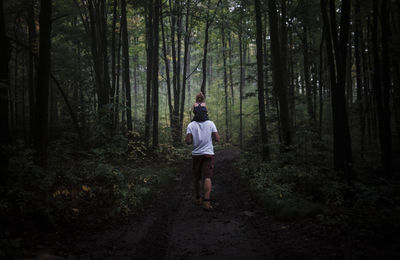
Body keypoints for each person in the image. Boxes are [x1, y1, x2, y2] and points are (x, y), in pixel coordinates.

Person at [185, 99, 220, 210]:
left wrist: (194, 139)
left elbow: (188, 141)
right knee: (207, 177)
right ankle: (206, 202)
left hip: (196, 154)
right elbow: (217, 139)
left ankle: (198, 198)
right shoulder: (211, 124)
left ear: (195, 112)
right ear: (205, 112)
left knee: (198, 177)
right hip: (208, 154)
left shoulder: (191, 125)